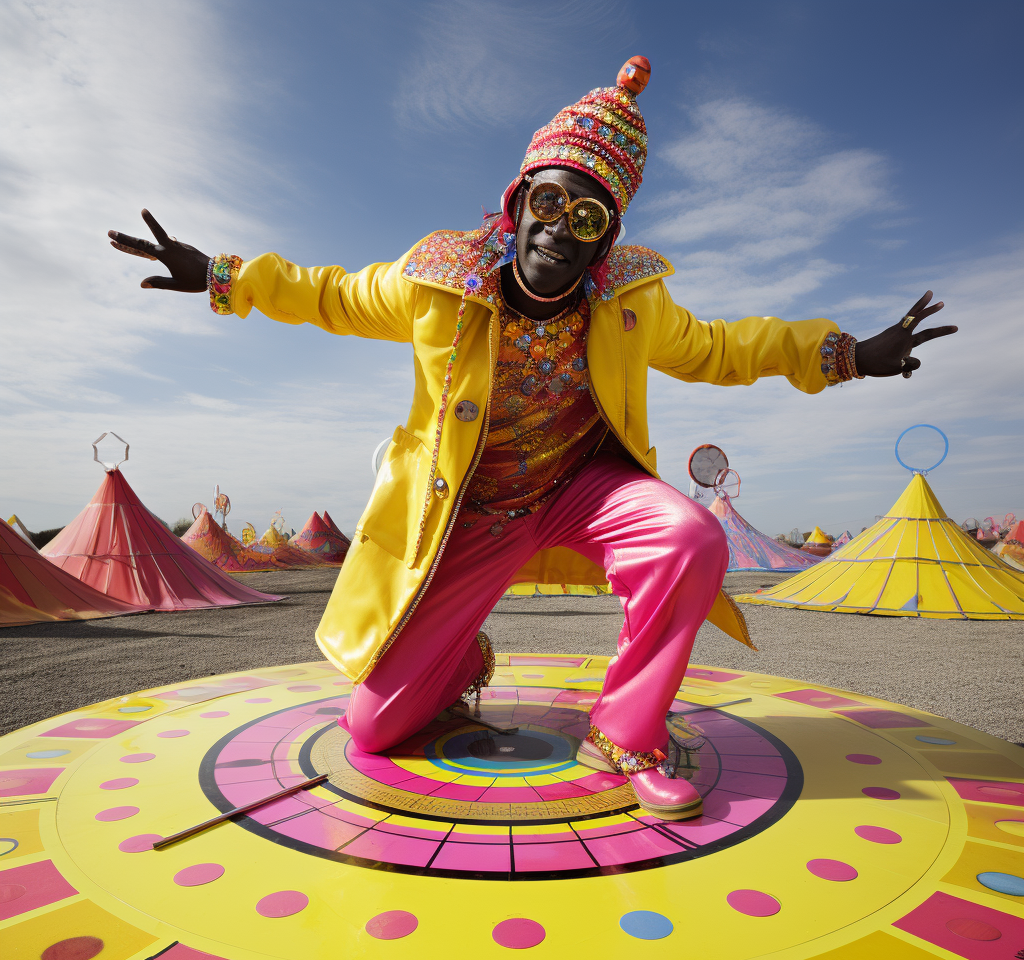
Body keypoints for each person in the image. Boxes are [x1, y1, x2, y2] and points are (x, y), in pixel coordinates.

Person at [108, 57, 956, 820]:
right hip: (470, 512)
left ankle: (627, 734)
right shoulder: (439, 280)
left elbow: (727, 348)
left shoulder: (633, 302)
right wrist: (220, 275)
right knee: (371, 733)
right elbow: (328, 292)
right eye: (547, 201)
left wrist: (846, 354)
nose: (559, 227)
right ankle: (453, 658)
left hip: (585, 491)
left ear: (606, 238)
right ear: (516, 206)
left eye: (587, 215)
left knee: (690, 536)